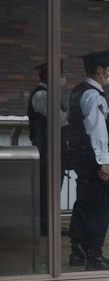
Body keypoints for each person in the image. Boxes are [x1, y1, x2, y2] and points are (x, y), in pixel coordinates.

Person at [61, 50, 109, 270]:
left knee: (83, 204)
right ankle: (95, 256)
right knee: (98, 207)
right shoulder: (95, 95)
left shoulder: (78, 91)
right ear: (99, 70)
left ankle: (77, 252)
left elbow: (73, 121)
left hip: (81, 158)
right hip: (94, 160)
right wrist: (103, 162)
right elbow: (96, 131)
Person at [25, 62, 51, 238]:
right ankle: (44, 225)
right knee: (45, 188)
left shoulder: (45, 94)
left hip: (46, 148)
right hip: (45, 149)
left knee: (47, 188)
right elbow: (60, 120)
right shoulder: (42, 95)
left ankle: (47, 224)